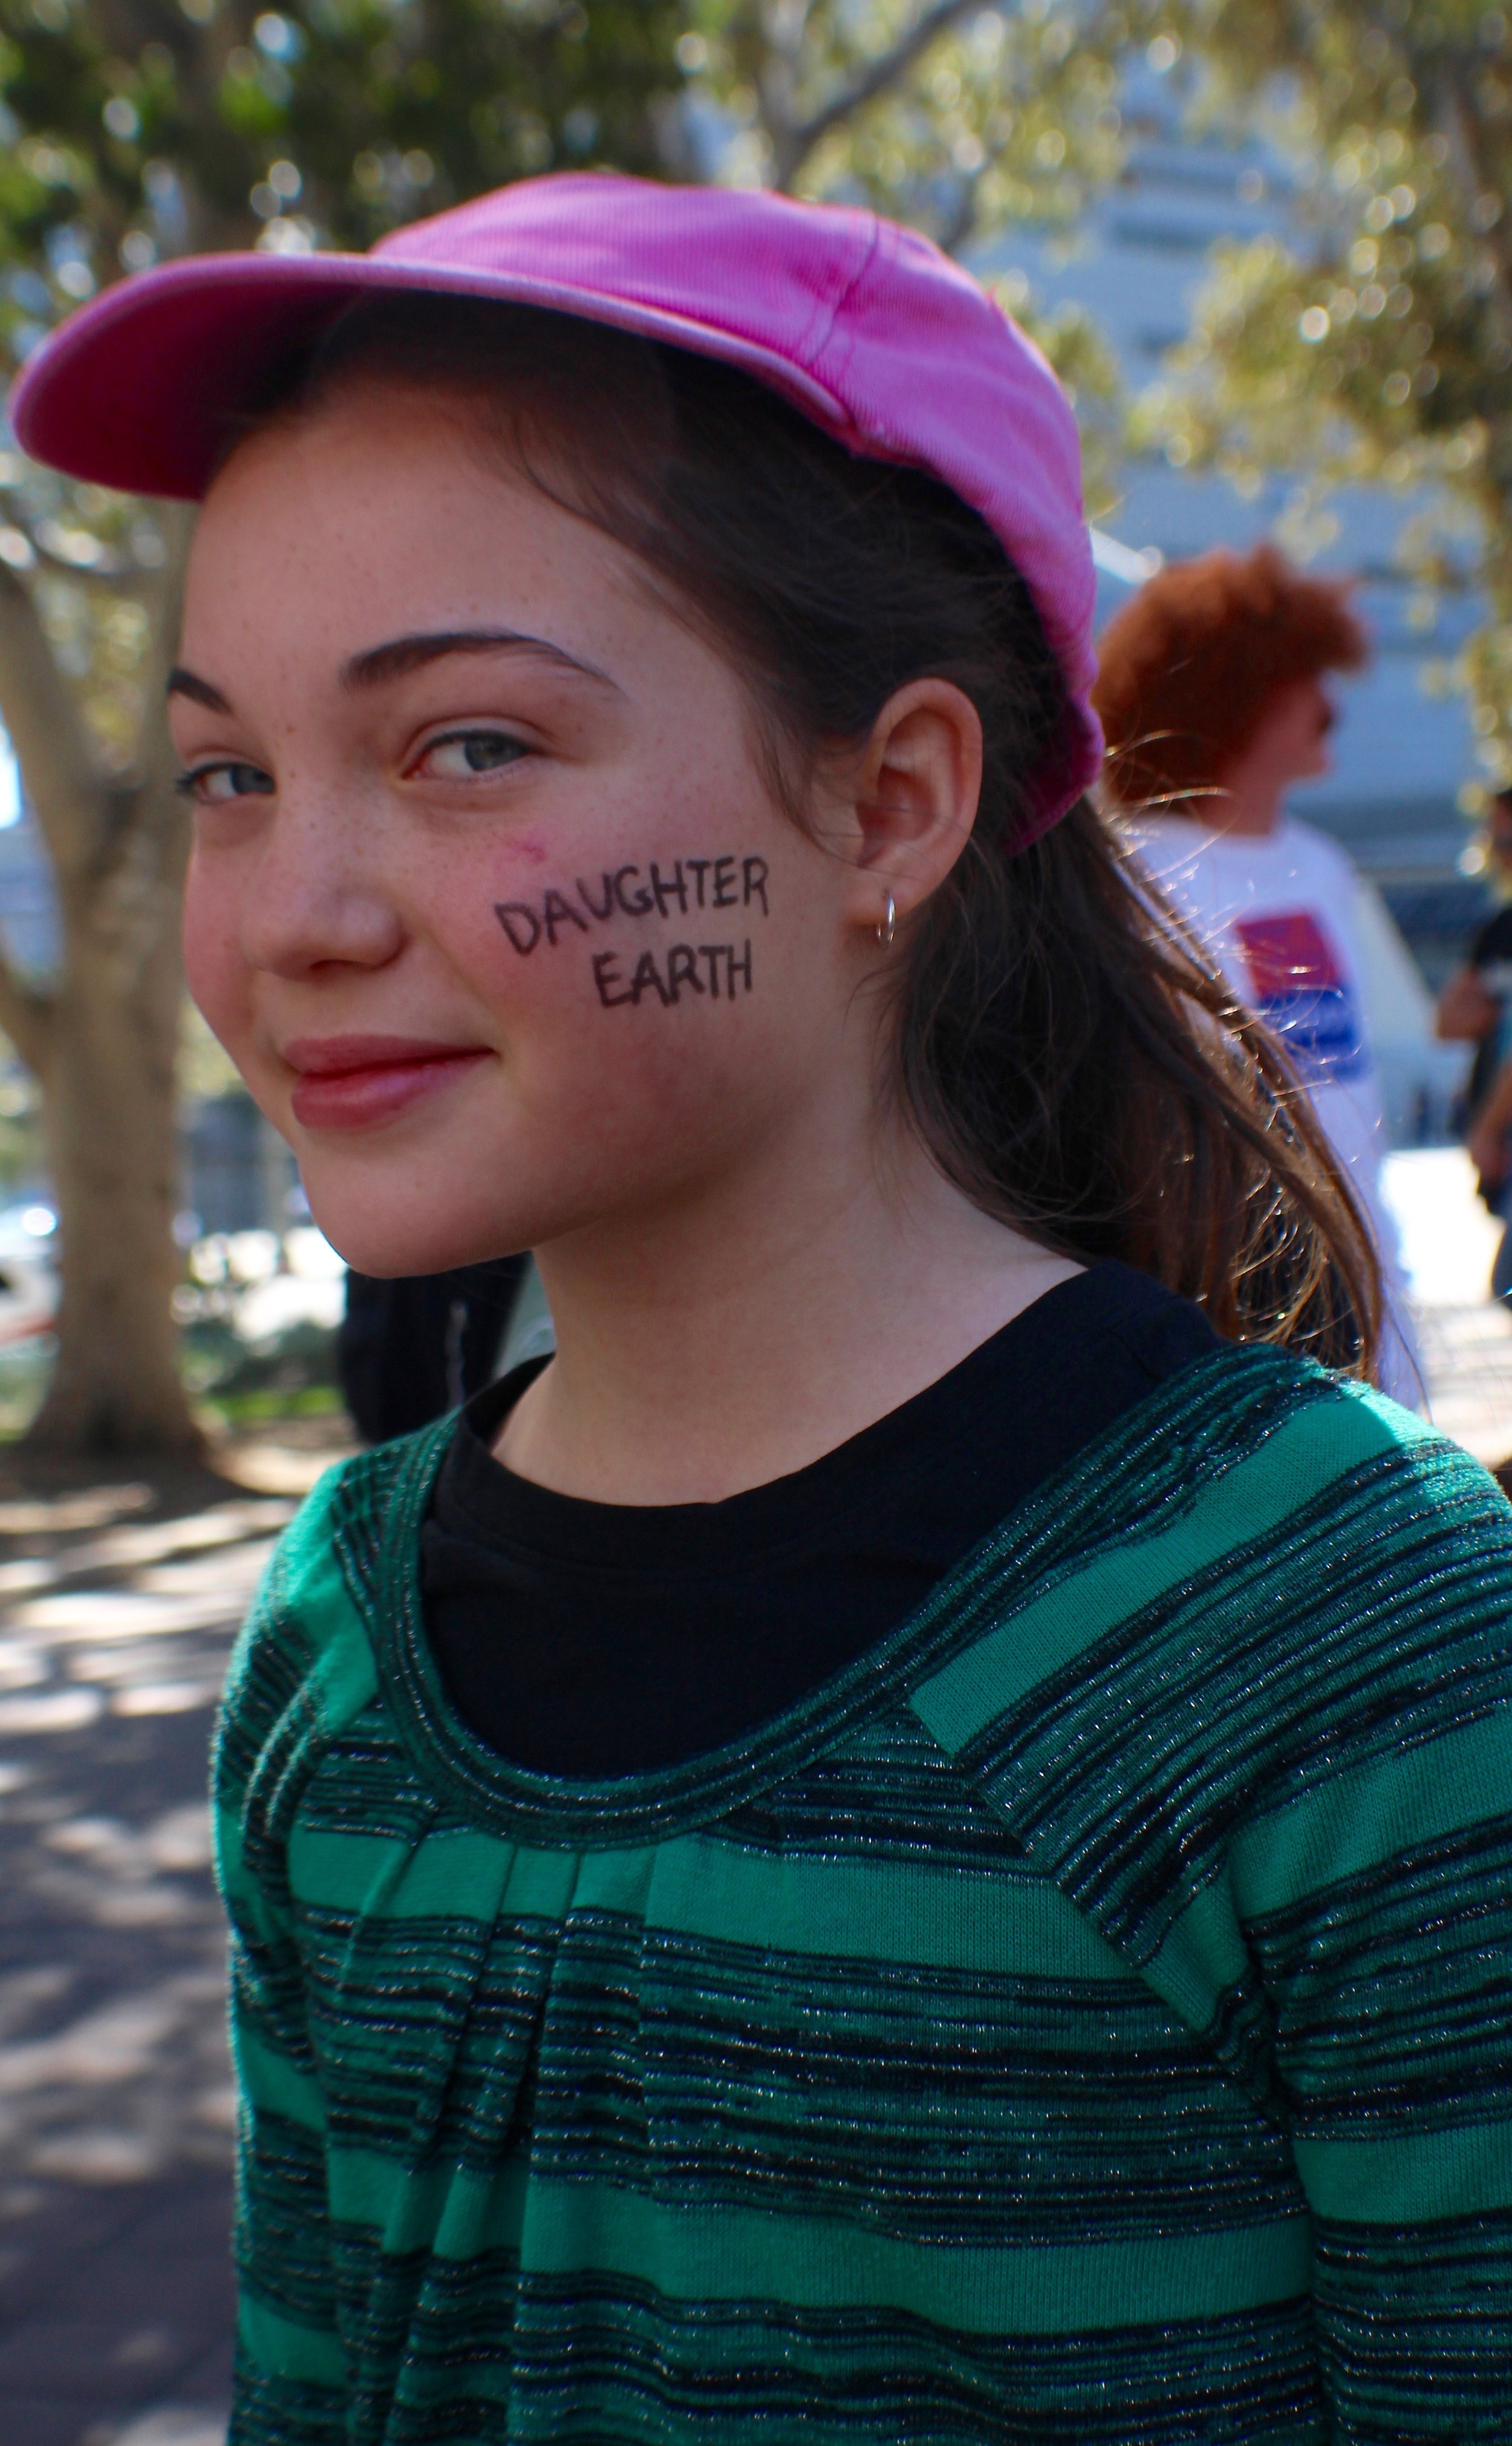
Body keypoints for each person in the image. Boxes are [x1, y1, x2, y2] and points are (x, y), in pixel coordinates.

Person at [18, 176, 1511, 2442]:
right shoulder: (336, 1637)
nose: (295, 909)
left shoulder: (1356, 1651)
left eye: (466, 747)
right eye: (233, 770)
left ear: (889, 801)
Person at [1092, 544, 1427, 1407]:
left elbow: (1337, 1076)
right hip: (1234, 1305)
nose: (1330, 706)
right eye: (1304, 679)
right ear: (1235, 694)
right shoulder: (1130, 872)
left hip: (1370, 1282)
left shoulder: (1322, 865)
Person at [1437, 787, 1512, 1292]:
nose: (1499, 852)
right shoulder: (1499, 931)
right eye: (1495, 840)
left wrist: (1486, 1129)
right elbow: (1446, 1023)